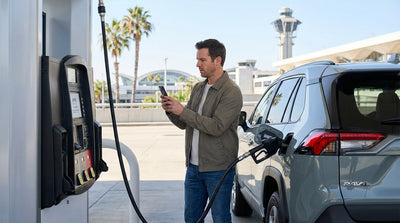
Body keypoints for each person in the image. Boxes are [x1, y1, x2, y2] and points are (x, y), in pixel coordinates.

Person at [161, 39, 243, 223]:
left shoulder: (231, 91)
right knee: (191, 218)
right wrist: (171, 111)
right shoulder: (199, 88)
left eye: (202, 60)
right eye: (197, 59)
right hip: (193, 168)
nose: (197, 64)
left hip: (219, 168)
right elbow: (185, 123)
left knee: (220, 218)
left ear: (217, 60)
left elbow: (216, 127)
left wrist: (183, 111)